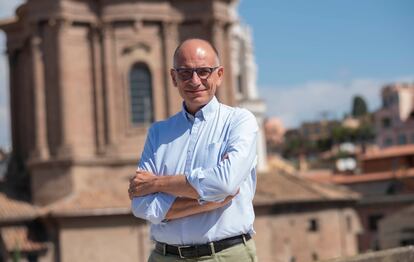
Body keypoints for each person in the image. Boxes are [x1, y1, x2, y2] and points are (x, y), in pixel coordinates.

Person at [129, 38, 258, 262]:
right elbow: (140, 205)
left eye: (204, 71)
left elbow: (224, 184)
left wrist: (156, 184)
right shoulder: (158, 132)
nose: (195, 80)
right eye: (185, 73)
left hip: (224, 256)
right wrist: (209, 200)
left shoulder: (240, 121)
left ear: (219, 74)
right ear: (173, 77)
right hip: (164, 256)